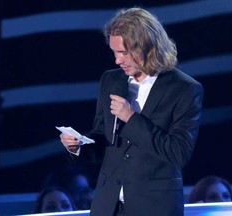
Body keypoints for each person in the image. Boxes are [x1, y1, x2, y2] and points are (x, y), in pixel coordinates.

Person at [59, 7, 204, 216]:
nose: (117, 60)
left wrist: (131, 118)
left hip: (154, 207)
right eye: (114, 52)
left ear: (146, 47)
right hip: (108, 206)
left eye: (123, 53)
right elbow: (103, 138)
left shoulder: (184, 89)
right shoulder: (110, 80)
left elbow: (178, 153)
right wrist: (78, 145)